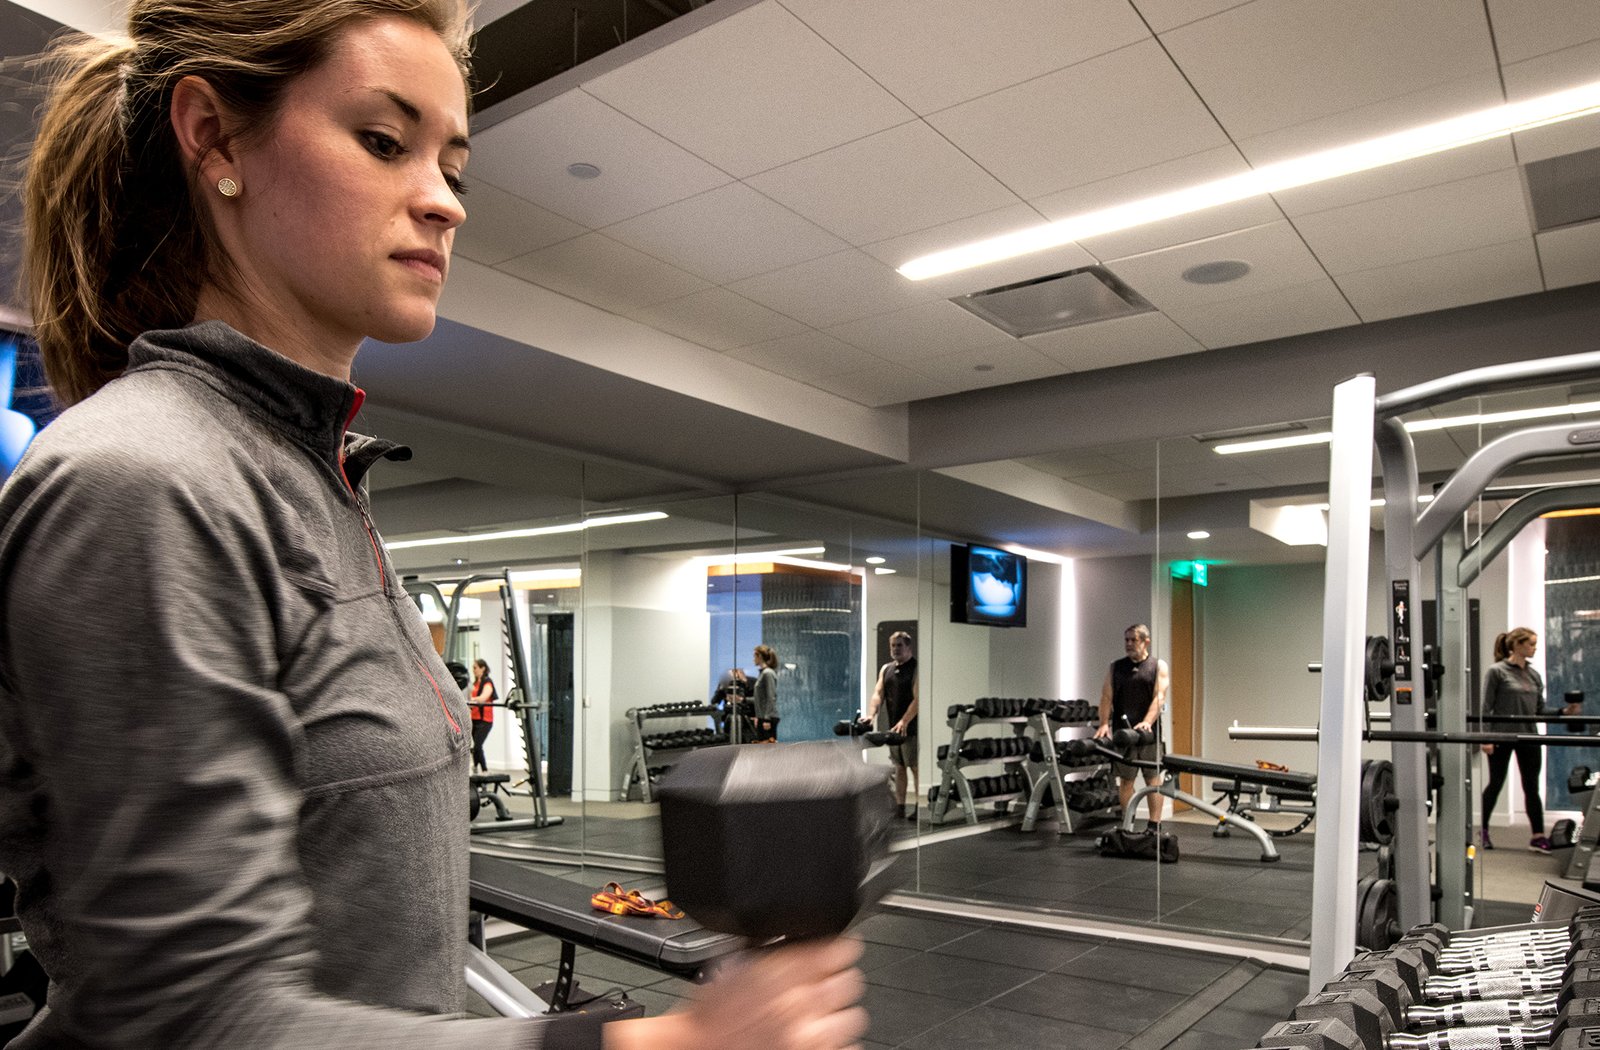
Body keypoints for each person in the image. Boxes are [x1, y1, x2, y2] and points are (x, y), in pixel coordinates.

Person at [0, 3, 865, 1047]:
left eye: (453, 166)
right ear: (216, 139)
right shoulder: (148, 479)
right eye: (383, 142)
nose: (444, 203)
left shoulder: (312, 476)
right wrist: (648, 1044)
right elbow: (194, 1021)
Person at [1480, 627, 1581, 853]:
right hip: (1500, 736)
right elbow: (1485, 707)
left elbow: (1539, 710)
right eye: (1531, 644)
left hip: (1528, 736)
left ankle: (1537, 836)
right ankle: (1484, 830)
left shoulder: (1534, 675)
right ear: (1517, 645)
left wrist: (1563, 712)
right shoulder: (1497, 671)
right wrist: (1484, 738)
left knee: (1531, 788)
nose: (1535, 648)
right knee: (1495, 784)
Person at [1094, 624, 1171, 831]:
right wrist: (1103, 724)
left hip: (1148, 737)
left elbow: (1159, 697)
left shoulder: (1158, 666)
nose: (1128, 644)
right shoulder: (1115, 667)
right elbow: (1106, 697)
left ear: (1146, 641)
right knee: (1126, 782)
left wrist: (1147, 721)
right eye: (1126, 640)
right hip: (1123, 735)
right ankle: (1127, 824)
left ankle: (1155, 825)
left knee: (1153, 780)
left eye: (1133, 640)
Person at [866, 632, 919, 822]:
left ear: (908, 647)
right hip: (893, 728)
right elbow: (877, 694)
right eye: (893, 646)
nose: (895, 649)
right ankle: (900, 807)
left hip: (910, 728)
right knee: (899, 767)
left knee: (914, 767)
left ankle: (918, 808)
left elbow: (917, 699)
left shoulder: (915, 668)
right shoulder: (886, 669)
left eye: (899, 645)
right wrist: (871, 715)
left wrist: (905, 721)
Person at [469, 658, 497, 774]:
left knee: (477, 746)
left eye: (475, 667)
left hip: (485, 720)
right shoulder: (475, 684)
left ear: (482, 668)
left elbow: (483, 698)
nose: (474, 670)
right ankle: (475, 768)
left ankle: (484, 770)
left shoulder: (488, 682)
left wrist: (471, 700)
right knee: (476, 747)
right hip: (474, 719)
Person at [752, 645, 780, 742]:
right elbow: (761, 698)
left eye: (754, 656)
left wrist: (767, 719)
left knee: (769, 751)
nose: (753, 659)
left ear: (759, 656)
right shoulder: (763, 673)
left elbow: (771, 696)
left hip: (768, 718)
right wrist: (758, 717)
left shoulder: (767, 673)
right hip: (763, 717)